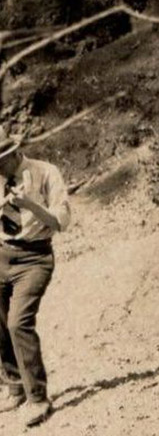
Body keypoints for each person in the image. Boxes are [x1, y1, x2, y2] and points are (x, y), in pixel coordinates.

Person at [0, 135, 71, 427]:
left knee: (18, 322)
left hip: (35, 258)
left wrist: (30, 205)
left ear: (15, 154)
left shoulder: (45, 172)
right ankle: (14, 383)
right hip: (2, 254)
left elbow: (61, 222)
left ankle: (38, 398)